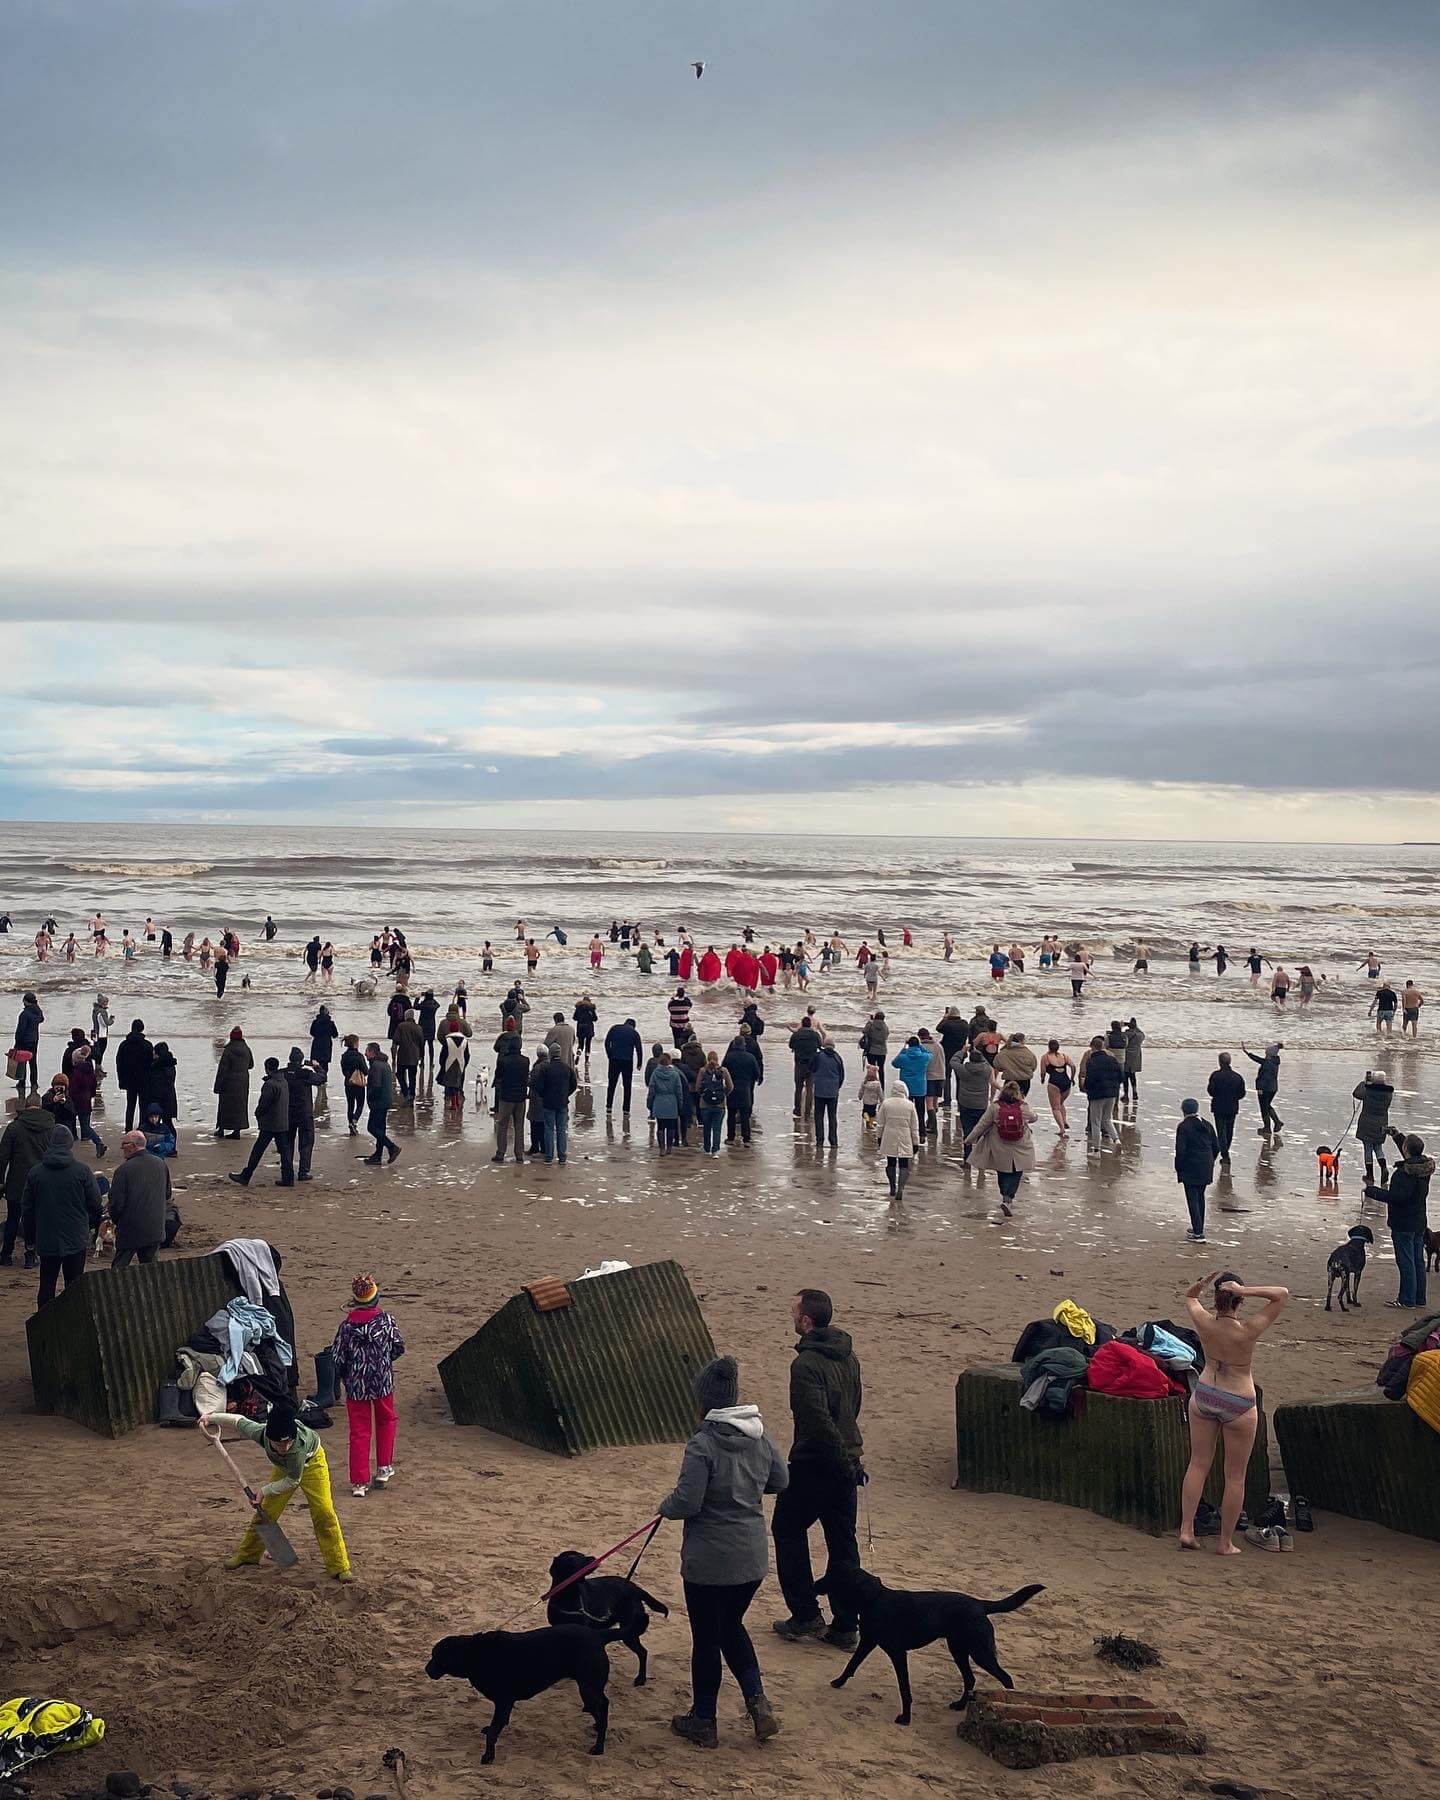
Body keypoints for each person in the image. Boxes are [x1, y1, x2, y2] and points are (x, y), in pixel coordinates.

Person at [660, 1356, 787, 1748]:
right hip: (751, 1559)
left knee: (707, 1638)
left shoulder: (704, 1442)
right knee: (730, 1626)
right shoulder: (759, 1436)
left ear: (705, 1399)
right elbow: (780, 1480)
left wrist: (665, 1507)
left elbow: (688, 1501)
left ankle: (703, 1719)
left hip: (709, 1562)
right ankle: (758, 1704)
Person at [771, 1290, 863, 1650]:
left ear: (806, 1320)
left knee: (787, 1528)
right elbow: (853, 1404)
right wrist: (849, 1456)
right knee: (842, 1542)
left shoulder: (806, 1363)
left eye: (794, 1311)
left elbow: (816, 1419)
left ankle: (806, 1615)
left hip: (818, 1463)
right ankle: (845, 1625)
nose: (792, 1316)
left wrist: (839, 1457)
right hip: (847, 1459)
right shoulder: (847, 1353)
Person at [1179, 1272, 1287, 1555]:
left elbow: (1189, 1296)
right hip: (1238, 1400)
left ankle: (1186, 1530)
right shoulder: (1248, 1329)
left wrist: (1200, 1284)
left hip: (1206, 1393)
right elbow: (1281, 1294)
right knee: (1235, 1475)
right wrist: (1245, 1289)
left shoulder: (1204, 1321)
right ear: (1239, 1301)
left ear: (1215, 1300)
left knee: (1198, 1464)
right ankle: (1225, 1543)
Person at [202, 1399, 353, 1581]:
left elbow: (292, 1481)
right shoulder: (260, 1432)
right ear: (268, 1438)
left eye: (288, 1443)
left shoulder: (297, 1449)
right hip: (284, 1468)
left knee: (324, 1512)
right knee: (266, 1511)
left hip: (312, 1465)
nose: (284, 1448)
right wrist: (210, 1417)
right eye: (279, 1445)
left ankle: (339, 1566)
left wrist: (263, 1491)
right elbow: (237, 1421)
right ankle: (248, 1554)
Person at [332, 1272, 405, 1498]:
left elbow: (337, 1357)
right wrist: (383, 1361)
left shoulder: (346, 1327)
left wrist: (346, 1373)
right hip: (382, 1380)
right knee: (386, 1419)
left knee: (359, 1431)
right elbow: (398, 1347)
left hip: (356, 1384)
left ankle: (359, 1482)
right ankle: (383, 1467)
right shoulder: (386, 1321)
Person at [22, 1125, 103, 1307]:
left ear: (50, 1144)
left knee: (47, 1284)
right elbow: (95, 1204)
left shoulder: (36, 1173)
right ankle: (73, 1321)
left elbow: (27, 1210)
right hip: (75, 1238)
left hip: (47, 1238)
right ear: (69, 1144)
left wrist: (30, 1238)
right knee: (74, 1284)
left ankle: (44, 1323)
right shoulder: (82, 1171)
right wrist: (90, 1226)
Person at [1370, 1129, 1431, 1309]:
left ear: (1406, 1150)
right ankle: (1419, 1299)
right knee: (1418, 1260)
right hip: (1419, 1221)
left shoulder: (1404, 1174)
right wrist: (1396, 1136)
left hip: (1403, 1223)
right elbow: (1412, 1152)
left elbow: (1397, 1198)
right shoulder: (1424, 1167)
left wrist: (1373, 1191)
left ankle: (1407, 1300)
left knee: (1406, 1262)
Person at [963, 1079, 1037, 1215]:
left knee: (1002, 1172)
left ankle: (1005, 1196)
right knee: (1016, 1172)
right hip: (1020, 1146)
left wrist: (969, 1139)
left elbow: (982, 1125)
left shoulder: (995, 1107)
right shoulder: (1022, 1107)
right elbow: (1033, 1118)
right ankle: (1009, 1199)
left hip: (999, 1145)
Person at [108, 1129, 172, 1267]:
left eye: (124, 1144)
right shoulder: (160, 1164)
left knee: (118, 1270)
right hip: (155, 1228)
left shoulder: (123, 1170)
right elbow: (167, 1194)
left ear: (133, 1145)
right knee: (151, 1270)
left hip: (130, 1230)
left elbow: (115, 1204)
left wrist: (117, 1221)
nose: (122, 1148)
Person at [0, 1095, 51, 1267]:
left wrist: (0, 1181)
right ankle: (31, 1255)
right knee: (35, 1219)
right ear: (40, 1106)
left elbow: (2, 1157)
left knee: (13, 1218)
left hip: (17, 1181)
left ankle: (6, 1254)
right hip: (42, 1182)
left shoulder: (14, 1127)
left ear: (26, 1106)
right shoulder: (51, 1127)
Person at [229, 1058, 293, 1186]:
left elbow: (264, 1104)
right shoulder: (283, 1081)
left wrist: (258, 1113)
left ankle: (246, 1176)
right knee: (284, 1151)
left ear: (267, 1068)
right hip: (282, 1122)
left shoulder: (270, 1084)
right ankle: (288, 1178)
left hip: (270, 1123)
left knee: (258, 1150)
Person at [1175, 1099, 1219, 1241]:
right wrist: (1210, 1160)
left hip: (1190, 1166)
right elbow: (1216, 1146)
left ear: (1183, 1110)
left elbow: (1180, 1150)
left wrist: (1179, 1167)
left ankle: (1198, 1233)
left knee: (1192, 1198)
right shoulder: (1207, 1124)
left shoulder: (1183, 1126)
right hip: (1206, 1165)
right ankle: (1198, 1227)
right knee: (1200, 1196)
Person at [876, 1078, 920, 1198]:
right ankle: (901, 1188)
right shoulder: (910, 1105)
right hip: (905, 1135)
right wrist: (915, 1142)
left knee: (890, 1162)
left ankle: (892, 1186)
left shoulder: (886, 1103)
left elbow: (880, 1123)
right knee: (904, 1163)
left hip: (889, 1134)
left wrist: (879, 1137)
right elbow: (914, 1127)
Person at [537, 1040, 578, 1164]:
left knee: (549, 1129)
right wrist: (566, 1095)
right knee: (561, 1129)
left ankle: (549, 1157)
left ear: (550, 1054)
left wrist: (543, 1095)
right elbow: (574, 1085)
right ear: (559, 1054)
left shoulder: (545, 1068)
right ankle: (562, 1157)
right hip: (562, 1102)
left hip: (548, 1102)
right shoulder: (567, 1068)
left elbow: (539, 1086)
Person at [1080, 1034, 1123, 1152]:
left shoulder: (1091, 1061)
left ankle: (1096, 1150)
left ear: (1091, 1047)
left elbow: (1089, 1079)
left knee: (1095, 1122)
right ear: (1103, 1046)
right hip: (1112, 1093)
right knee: (1107, 1119)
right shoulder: (1112, 1059)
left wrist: (1086, 1089)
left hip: (1097, 1095)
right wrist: (1115, 1088)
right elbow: (1121, 1076)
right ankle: (1116, 1140)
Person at [283, 1049, 321, 1182]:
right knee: (306, 1142)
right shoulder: (305, 1073)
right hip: (304, 1112)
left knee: (287, 1143)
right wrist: (317, 1067)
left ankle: (287, 1172)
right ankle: (303, 1172)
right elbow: (322, 1079)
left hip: (288, 1112)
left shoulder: (283, 1073)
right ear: (301, 1060)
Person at [1353, 1071, 1395, 1185]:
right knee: (1378, 1148)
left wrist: (1364, 1082)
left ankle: (1370, 1175)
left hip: (1366, 1123)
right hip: (1381, 1123)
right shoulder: (1388, 1094)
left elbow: (1356, 1094)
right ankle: (1383, 1168)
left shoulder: (1367, 1091)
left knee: (1368, 1148)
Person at [492, 1042, 531, 1163]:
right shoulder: (526, 1060)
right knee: (519, 1126)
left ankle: (500, 1153)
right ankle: (519, 1154)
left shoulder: (503, 1061)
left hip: (506, 1097)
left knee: (502, 1125)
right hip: (520, 1097)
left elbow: (498, 1076)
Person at [363, 1043, 401, 1166]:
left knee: (372, 1128)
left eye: (367, 1051)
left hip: (379, 1102)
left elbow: (376, 1086)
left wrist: (370, 1097)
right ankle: (377, 1156)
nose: (365, 1053)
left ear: (373, 1052)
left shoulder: (376, 1066)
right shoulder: (384, 1064)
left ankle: (392, 1147)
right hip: (386, 1100)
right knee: (380, 1128)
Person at [954, 1047, 994, 1162]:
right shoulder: (987, 1069)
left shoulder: (963, 1069)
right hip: (981, 1104)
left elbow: (953, 1062)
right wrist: (979, 1052)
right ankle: (982, 1160)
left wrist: (962, 1051)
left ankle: (967, 1159)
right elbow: (987, 1063)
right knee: (982, 1132)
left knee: (967, 1131)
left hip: (965, 1103)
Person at [722, 1032, 761, 1146]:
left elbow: (722, 1071)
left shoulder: (729, 1057)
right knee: (745, 1116)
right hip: (745, 1089)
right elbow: (757, 1073)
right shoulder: (750, 1057)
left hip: (732, 1089)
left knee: (731, 1115)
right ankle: (747, 1139)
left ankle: (730, 1138)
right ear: (743, 1045)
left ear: (734, 1045)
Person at [115, 1019, 154, 1133]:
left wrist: (121, 1080)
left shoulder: (124, 1044)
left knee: (130, 1106)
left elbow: (119, 1063)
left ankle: (128, 1130)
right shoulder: (147, 1045)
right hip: (144, 1080)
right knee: (143, 1106)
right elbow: (150, 1064)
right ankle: (142, 1129)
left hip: (129, 1080)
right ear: (142, 1029)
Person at [1206, 1051, 1246, 1163]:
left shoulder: (1215, 1075)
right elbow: (1242, 1093)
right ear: (1229, 1062)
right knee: (1229, 1130)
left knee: (1221, 1130)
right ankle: (1225, 1151)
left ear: (1220, 1062)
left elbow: (1211, 1091)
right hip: (1232, 1106)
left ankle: (1225, 1154)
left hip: (1218, 1106)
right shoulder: (1238, 1077)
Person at [67, 1042, 105, 1156]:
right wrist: (91, 1095)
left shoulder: (76, 1073)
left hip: (77, 1101)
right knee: (86, 1125)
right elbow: (94, 1085)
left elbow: (73, 1089)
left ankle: (97, 1142)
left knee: (76, 1123)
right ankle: (96, 1142)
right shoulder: (90, 1071)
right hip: (87, 1101)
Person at [694, 1051, 732, 1156]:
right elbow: (730, 1086)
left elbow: (697, 1087)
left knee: (706, 1127)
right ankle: (715, 1150)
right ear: (718, 1059)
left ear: (707, 1059)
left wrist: (703, 1094)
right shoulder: (723, 1070)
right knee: (717, 1128)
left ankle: (706, 1148)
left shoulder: (702, 1071)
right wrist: (724, 1094)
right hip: (720, 1105)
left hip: (705, 1105)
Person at [647, 1052, 686, 1156]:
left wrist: (649, 1104)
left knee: (660, 1127)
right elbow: (679, 1091)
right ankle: (669, 1147)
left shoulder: (655, 1073)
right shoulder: (675, 1074)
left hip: (659, 1102)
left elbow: (651, 1089)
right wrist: (680, 1104)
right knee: (671, 1127)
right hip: (672, 1102)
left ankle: (662, 1149)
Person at [1241, 1041, 1284, 1135]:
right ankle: (1276, 1123)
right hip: (1273, 1088)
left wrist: (1260, 1088)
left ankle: (1268, 1127)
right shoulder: (1273, 1062)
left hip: (1265, 1088)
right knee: (1267, 1106)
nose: (1265, 1054)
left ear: (1270, 1054)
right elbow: (1258, 1059)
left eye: (1266, 1052)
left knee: (1264, 1107)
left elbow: (1264, 1077)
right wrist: (1247, 1053)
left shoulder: (1267, 1063)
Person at [604, 1015, 643, 1115]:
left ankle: (609, 1107)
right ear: (633, 1026)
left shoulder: (614, 1028)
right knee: (627, 1085)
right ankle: (626, 1109)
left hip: (614, 1059)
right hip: (627, 1061)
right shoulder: (634, 1033)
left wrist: (610, 1054)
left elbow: (607, 1042)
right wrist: (639, 1063)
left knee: (612, 1084)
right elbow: (639, 1048)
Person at [810, 1038, 845, 1149]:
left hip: (820, 1090)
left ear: (824, 1045)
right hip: (833, 1092)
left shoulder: (818, 1056)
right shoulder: (837, 1058)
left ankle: (820, 1141)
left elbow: (811, 1068)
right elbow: (842, 1075)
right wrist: (837, 1087)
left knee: (819, 1116)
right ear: (833, 1046)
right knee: (832, 1116)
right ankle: (833, 1141)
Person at [789, 1015, 822, 1120]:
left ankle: (797, 1110)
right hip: (812, 1065)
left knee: (798, 1088)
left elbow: (791, 1045)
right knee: (809, 1088)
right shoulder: (815, 1035)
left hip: (799, 1064)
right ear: (810, 1025)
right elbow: (820, 1045)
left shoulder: (796, 1034)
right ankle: (808, 1112)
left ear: (802, 1024)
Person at [143, 1040, 179, 1135]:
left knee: (157, 1124)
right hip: (169, 1099)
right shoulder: (170, 1064)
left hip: (159, 1100)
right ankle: (171, 1145)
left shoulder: (157, 1066)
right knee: (168, 1123)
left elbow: (155, 1084)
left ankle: (160, 1144)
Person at [1041, 1039, 1074, 1136]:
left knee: (1055, 1108)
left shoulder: (1045, 1057)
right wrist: (1072, 1078)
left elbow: (1043, 1071)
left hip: (1054, 1083)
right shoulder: (1064, 1056)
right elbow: (1073, 1066)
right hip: (1066, 1082)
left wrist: (1042, 1079)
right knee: (1060, 1103)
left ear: (1049, 1047)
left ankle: (1062, 1128)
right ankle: (1064, 1120)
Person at [13, 992, 43, 1093]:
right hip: (34, 1040)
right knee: (33, 1062)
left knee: (22, 1062)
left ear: (26, 1001)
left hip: (24, 1041)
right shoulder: (37, 1012)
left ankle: (22, 1082)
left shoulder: (24, 1014)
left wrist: (17, 1043)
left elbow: (20, 1030)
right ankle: (34, 1083)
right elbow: (41, 1019)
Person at [393, 1006, 423, 1101]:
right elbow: (422, 1044)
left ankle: (406, 1093)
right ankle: (412, 1095)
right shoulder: (418, 1028)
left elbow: (396, 1041)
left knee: (400, 1075)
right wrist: (421, 1056)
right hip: (414, 1056)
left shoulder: (401, 1026)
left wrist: (394, 1057)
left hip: (402, 1055)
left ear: (406, 1016)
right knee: (412, 1077)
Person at [994, 1031, 1037, 1097]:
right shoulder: (1028, 1053)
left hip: (1009, 1081)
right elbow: (1033, 1066)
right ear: (1022, 1041)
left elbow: (996, 1065)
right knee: (1020, 1102)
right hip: (1024, 1081)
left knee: (1008, 1102)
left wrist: (1005, 1069)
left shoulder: (1003, 1052)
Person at [309, 1004, 339, 1074]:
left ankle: (318, 1080)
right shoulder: (331, 1023)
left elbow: (311, 1032)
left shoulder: (315, 1022)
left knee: (316, 1065)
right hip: (326, 1046)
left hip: (316, 1045)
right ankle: (323, 1080)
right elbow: (335, 1035)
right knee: (325, 1066)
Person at [1122, 1019, 1145, 1104]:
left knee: (1125, 1076)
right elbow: (1141, 1032)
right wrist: (1133, 1025)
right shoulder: (1140, 1035)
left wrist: (1122, 1026)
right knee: (1132, 1075)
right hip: (1136, 1057)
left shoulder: (1125, 1035)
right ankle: (1135, 1091)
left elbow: (1119, 1037)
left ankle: (1126, 1094)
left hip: (1127, 1056)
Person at [91, 993, 113, 1076]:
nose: (107, 1004)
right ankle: (98, 1069)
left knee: (97, 1052)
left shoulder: (95, 1010)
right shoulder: (102, 1012)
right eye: (105, 1002)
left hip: (95, 1033)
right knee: (100, 1053)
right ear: (102, 1003)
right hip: (101, 1035)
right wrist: (112, 1019)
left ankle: (97, 1068)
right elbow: (106, 1023)